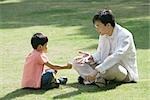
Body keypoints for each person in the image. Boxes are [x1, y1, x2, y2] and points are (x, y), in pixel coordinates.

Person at [72, 9, 139, 87]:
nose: (96, 29)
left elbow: (117, 56)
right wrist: (92, 57)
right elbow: (100, 53)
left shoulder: (124, 35)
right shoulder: (103, 35)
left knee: (112, 67)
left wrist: (96, 70)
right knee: (77, 61)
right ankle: (99, 79)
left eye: (98, 26)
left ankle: (93, 79)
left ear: (108, 25)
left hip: (122, 71)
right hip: (103, 68)